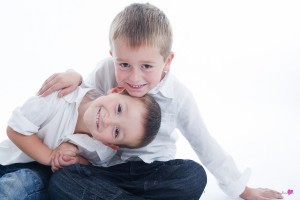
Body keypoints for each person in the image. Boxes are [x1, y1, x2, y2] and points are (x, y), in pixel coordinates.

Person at [38, 3, 283, 200]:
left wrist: (242, 190)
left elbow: (205, 144)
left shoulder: (179, 96)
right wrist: (77, 76)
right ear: (112, 56)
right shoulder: (105, 71)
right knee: (62, 181)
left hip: (152, 174)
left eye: (146, 66)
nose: (134, 77)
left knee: (193, 176)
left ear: (167, 61)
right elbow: (83, 104)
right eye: (124, 64)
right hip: (106, 170)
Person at [0, 85, 161, 200]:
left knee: (17, 187)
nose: (108, 120)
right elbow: (15, 129)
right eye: (118, 109)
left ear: (112, 144)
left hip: (41, 180)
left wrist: (75, 160)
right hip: (8, 160)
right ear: (116, 90)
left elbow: (90, 166)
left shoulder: (103, 150)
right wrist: (50, 156)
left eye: (116, 131)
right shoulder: (61, 95)